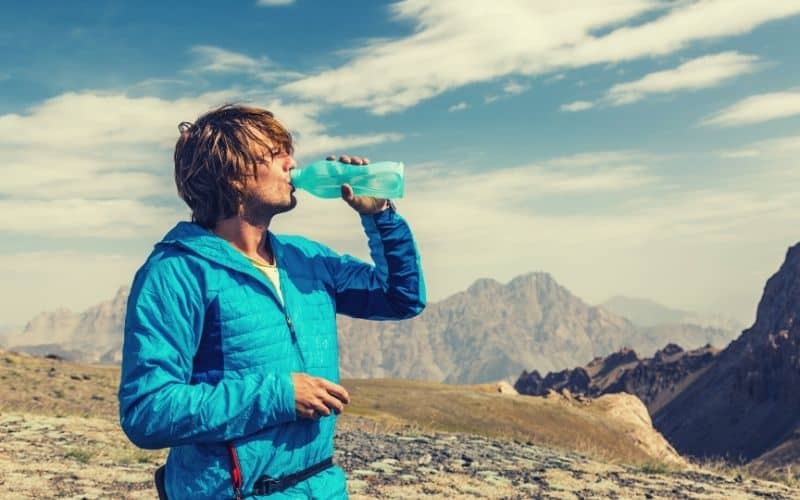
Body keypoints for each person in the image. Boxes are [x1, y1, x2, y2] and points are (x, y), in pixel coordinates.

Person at [117, 104, 426, 499]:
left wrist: (380, 214)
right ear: (232, 173)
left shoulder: (306, 260)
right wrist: (278, 395)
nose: (292, 163)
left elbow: (401, 298)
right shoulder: (175, 272)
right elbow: (147, 410)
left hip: (323, 487)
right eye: (275, 153)